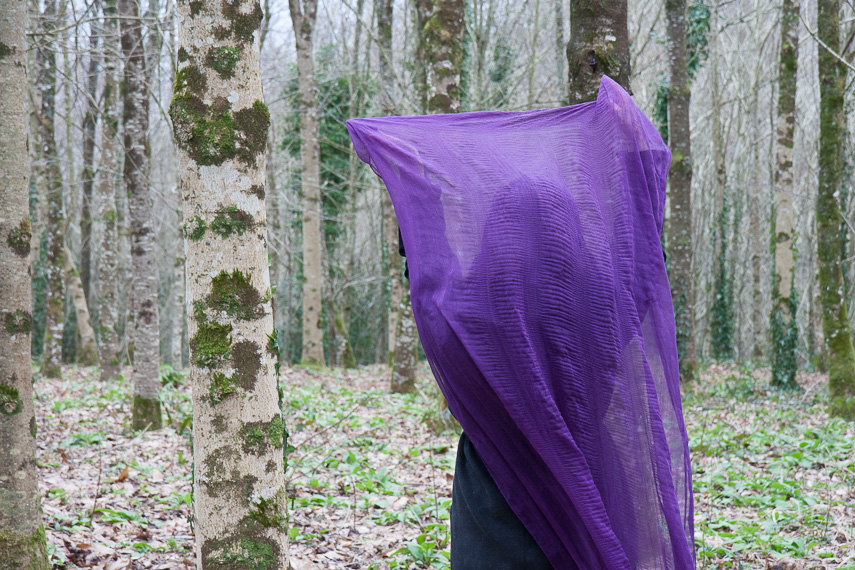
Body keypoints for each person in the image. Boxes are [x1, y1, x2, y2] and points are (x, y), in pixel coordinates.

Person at [348, 76, 696, 569]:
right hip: (593, 488)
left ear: (495, 240)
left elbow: (428, 268)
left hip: (495, 500)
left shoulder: (467, 320)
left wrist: (413, 190)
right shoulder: (604, 315)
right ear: (570, 237)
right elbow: (642, 261)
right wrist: (634, 153)